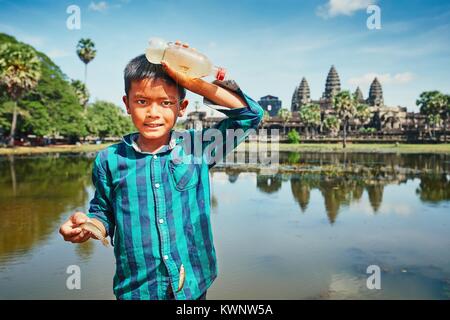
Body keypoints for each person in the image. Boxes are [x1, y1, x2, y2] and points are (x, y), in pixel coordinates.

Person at [59, 42, 263, 300]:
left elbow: (250, 116)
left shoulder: (197, 148)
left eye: (166, 102)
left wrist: (190, 80)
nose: (153, 113)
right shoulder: (108, 160)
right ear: (127, 103)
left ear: (182, 107)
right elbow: (103, 211)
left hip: (192, 284)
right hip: (137, 290)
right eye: (142, 101)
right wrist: (89, 226)